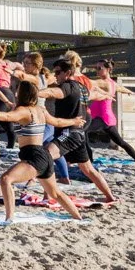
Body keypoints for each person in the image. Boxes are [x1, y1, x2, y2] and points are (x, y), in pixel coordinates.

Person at [0, 80, 86, 223]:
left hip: (34, 157)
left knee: (6, 179)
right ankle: (79, 218)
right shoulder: (40, 110)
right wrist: (74, 121)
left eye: (17, 90)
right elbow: (58, 122)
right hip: (44, 155)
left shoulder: (23, 110)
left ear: (22, 94)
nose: (15, 92)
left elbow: (8, 117)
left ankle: (9, 219)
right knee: (55, 193)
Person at [48, 53, 118, 206]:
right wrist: (107, 95)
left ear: (68, 72)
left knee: (46, 156)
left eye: (58, 72)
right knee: (87, 168)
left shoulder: (67, 86)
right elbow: (95, 93)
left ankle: (48, 194)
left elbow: (52, 92)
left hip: (70, 130)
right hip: (79, 127)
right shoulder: (82, 84)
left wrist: (35, 92)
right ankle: (110, 197)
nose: (55, 75)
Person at [84, 60, 135, 165]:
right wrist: (130, 91)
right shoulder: (112, 83)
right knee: (120, 142)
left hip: (102, 118)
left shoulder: (104, 82)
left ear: (108, 69)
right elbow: (120, 88)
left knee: (82, 130)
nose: (97, 70)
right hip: (107, 119)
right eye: (96, 68)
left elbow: (90, 82)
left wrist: (78, 76)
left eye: (99, 68)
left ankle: (90, 160)